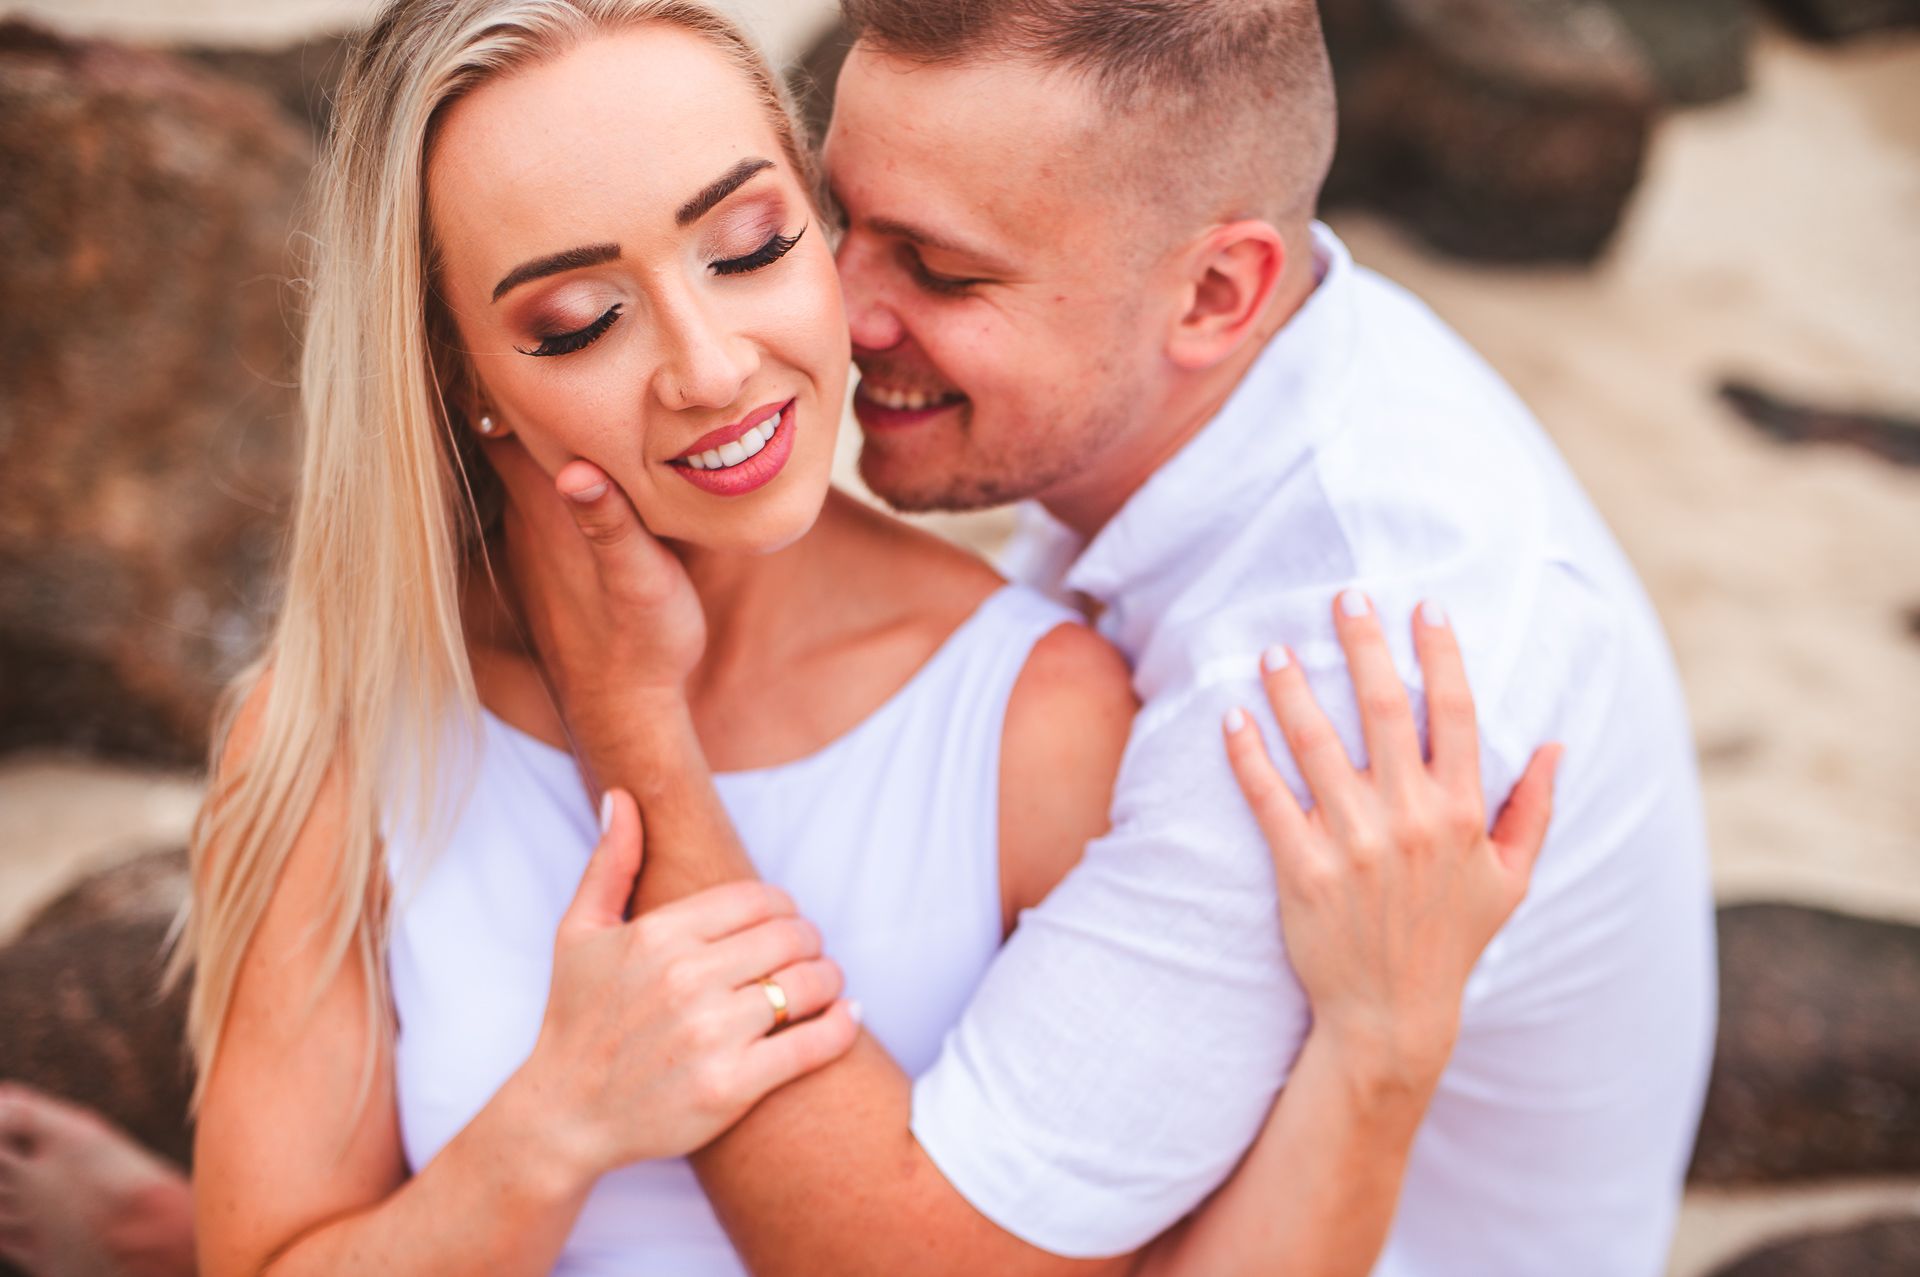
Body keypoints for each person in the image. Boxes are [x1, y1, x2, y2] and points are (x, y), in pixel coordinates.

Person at [10, 2, 1555, 1277]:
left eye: (747, 244)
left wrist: (1382, 1037)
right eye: (573, 322)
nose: (707, 365)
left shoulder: (1043, 717)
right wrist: (553, 1124)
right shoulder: (335, 735)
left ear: (829, 232)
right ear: (466, 373)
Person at [511, 2, 1718, 1276]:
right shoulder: (1261, 375)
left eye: (939, 267)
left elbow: (929, 1258)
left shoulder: (1338, 670)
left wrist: (628, 715)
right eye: (832, 220)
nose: (839, 312)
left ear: (1214, 291)